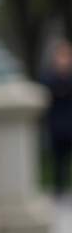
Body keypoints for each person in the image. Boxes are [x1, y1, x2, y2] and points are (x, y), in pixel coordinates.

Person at [39, 39, 72, 199]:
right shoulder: (48, 77)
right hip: (56, 125)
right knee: (58, 160)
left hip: (69, 123)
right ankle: (59, 190)